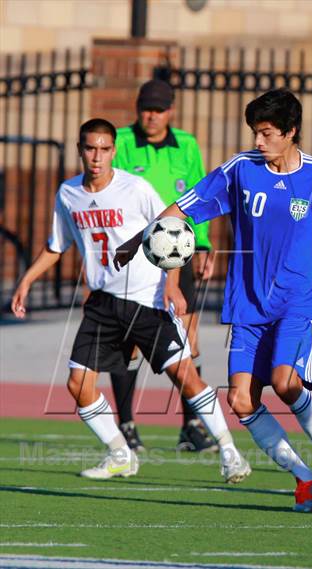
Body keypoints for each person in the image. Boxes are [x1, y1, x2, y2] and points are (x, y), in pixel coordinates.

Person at [114, 89, 312, 512]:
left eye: (266, 133)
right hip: (248, 304)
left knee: (284, 382)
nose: (258, 142)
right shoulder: (240, 170)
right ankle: (304, 478)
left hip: (301, 297)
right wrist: (137, 241)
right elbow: (183, 209)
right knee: (240, 400)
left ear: (291, 132)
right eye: (255, 133)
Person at [11, 118, 251, 483]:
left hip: (147, 300)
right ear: (80, 150)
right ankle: (120, 453)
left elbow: (171, 232)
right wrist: (26, 282)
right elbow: (56, 246)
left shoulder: (135, 188)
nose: (97, 156)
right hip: (103, 304)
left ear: (113, 151)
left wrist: (172, 285)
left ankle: (231, 453)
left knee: (185, 376)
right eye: (90, 148)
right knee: (78, 385)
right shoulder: (68, 193)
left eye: (104, 149)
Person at [111, 79, 216, 453]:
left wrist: (202, 245)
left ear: (170, 111)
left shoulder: (186, 145)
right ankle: (125, 424)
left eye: (158, 109)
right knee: (130, 342)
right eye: (145, 108)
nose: (151, 116)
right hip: (134, 255)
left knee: (188, 338)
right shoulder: (120, 141)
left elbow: (200, 196)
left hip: (176, 253)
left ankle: (191, 425)